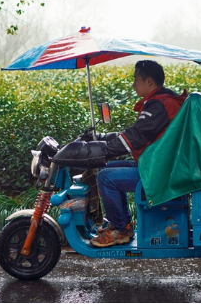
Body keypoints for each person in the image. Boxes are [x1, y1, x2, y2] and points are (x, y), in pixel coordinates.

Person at [57, 60, 187, 247]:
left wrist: (102, 150)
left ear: (149, 81)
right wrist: (103, 139)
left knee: (106, 177)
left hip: (161, 172)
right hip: (159, 164)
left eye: (136, 80)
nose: (133, 84)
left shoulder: (159, 105)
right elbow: (137, 133)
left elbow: (135, 137)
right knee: (109, 168)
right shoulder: (161, 101)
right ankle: (122, 225)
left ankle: (120, 230)